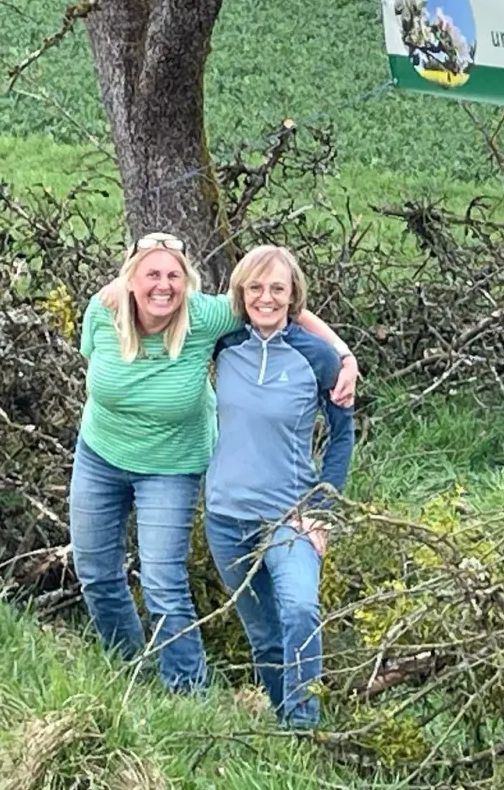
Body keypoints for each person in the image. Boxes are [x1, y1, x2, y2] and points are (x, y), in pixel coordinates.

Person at [69, 232, 358, 694]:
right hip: (100, 455)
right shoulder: (101, 312)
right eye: (151, 275)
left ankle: (187, 689)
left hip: (172, 464)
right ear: (130, 279)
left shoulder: (204, 316)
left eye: (173, 276)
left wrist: (343, 355)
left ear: (188, 283)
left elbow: (276, 300)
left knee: (162, 582)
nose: (162, 286)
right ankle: (130, 675)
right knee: (96, 575)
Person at [202, 245, 355, 729]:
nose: (265, 298)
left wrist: (322, 511)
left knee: (300, 612)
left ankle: (304, 728)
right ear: (240, 294)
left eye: (277, 289)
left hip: (290, 519)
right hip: (226, 519)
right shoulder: (223, 343)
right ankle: (281, 723)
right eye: (255, 288)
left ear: (293, 298)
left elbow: (341, 435)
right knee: (265, 636)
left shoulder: (317, 357)